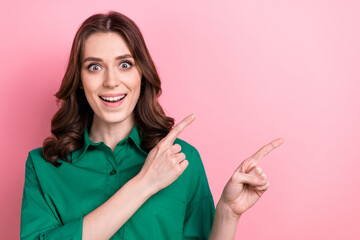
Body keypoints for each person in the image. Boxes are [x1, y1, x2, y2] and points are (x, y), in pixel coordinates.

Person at [20, 11, 284, 240]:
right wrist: (144, 184)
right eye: (94, 67)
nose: (111, 81)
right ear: (79, 79)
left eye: (125, 64)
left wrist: (228, 211)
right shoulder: (43, 166)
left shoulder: (182, 160)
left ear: (141, 74)